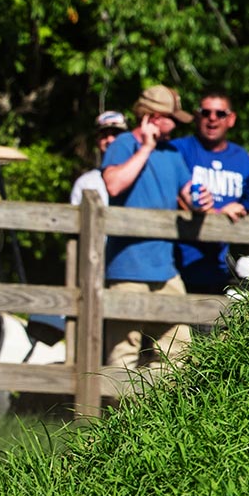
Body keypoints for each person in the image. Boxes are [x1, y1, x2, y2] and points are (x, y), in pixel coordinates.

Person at [100, 84, 194, 370]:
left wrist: (213, 203)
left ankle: (160, 413)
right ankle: (118, 415)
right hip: (126, 268)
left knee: (178, 349)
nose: (176, 124)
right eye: (171, 118)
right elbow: (113, 183)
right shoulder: (123, 145)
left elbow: (191, 197)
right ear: (153, 117)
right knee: (122, 350)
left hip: (165, 269)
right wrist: (146, 148)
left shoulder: (173, 154)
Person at [172, 88, 249, 292]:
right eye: (205, 112)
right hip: (176, 266)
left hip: (218, 270)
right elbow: (173, 196)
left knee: (215, 322)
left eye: (220, 113)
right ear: (196, 116)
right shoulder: (178, 149)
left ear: (231, 119)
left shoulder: (241, 158)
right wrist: (218, 215)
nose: (212, 119)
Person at [69, 111, 127, 206]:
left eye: (116, 134)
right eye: (104, 135)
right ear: (97, 141)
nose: (110, 140)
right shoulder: (86, 183)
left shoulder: (142, 175)